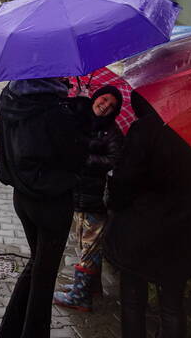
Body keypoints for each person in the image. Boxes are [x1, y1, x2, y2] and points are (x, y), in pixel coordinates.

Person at [104, 91, 191, 338]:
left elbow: (125, 179)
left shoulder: (146, 128)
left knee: (133, 300)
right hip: (184, 226)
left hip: (141, 225)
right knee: (172, 305)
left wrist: (114, 200)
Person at [0, 77, 86, 338]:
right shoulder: (55, 111)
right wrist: (80, 114)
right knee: (45, 277)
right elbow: (76, 156)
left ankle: (9, 331)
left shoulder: (9, 99)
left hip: (22, 197)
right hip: (52, 202)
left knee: (37, 264)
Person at [53, 85, 124, 312]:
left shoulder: (112, 133)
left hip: (96, 200)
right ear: (95, 97)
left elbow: (114, 160)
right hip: (78, 195)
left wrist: (85, 158)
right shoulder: (81, 121)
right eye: (103, 100)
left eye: (111, 105)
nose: (105, 106)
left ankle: (81, 296)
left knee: (89, 248)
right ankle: (86, 288)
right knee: (83, 244)